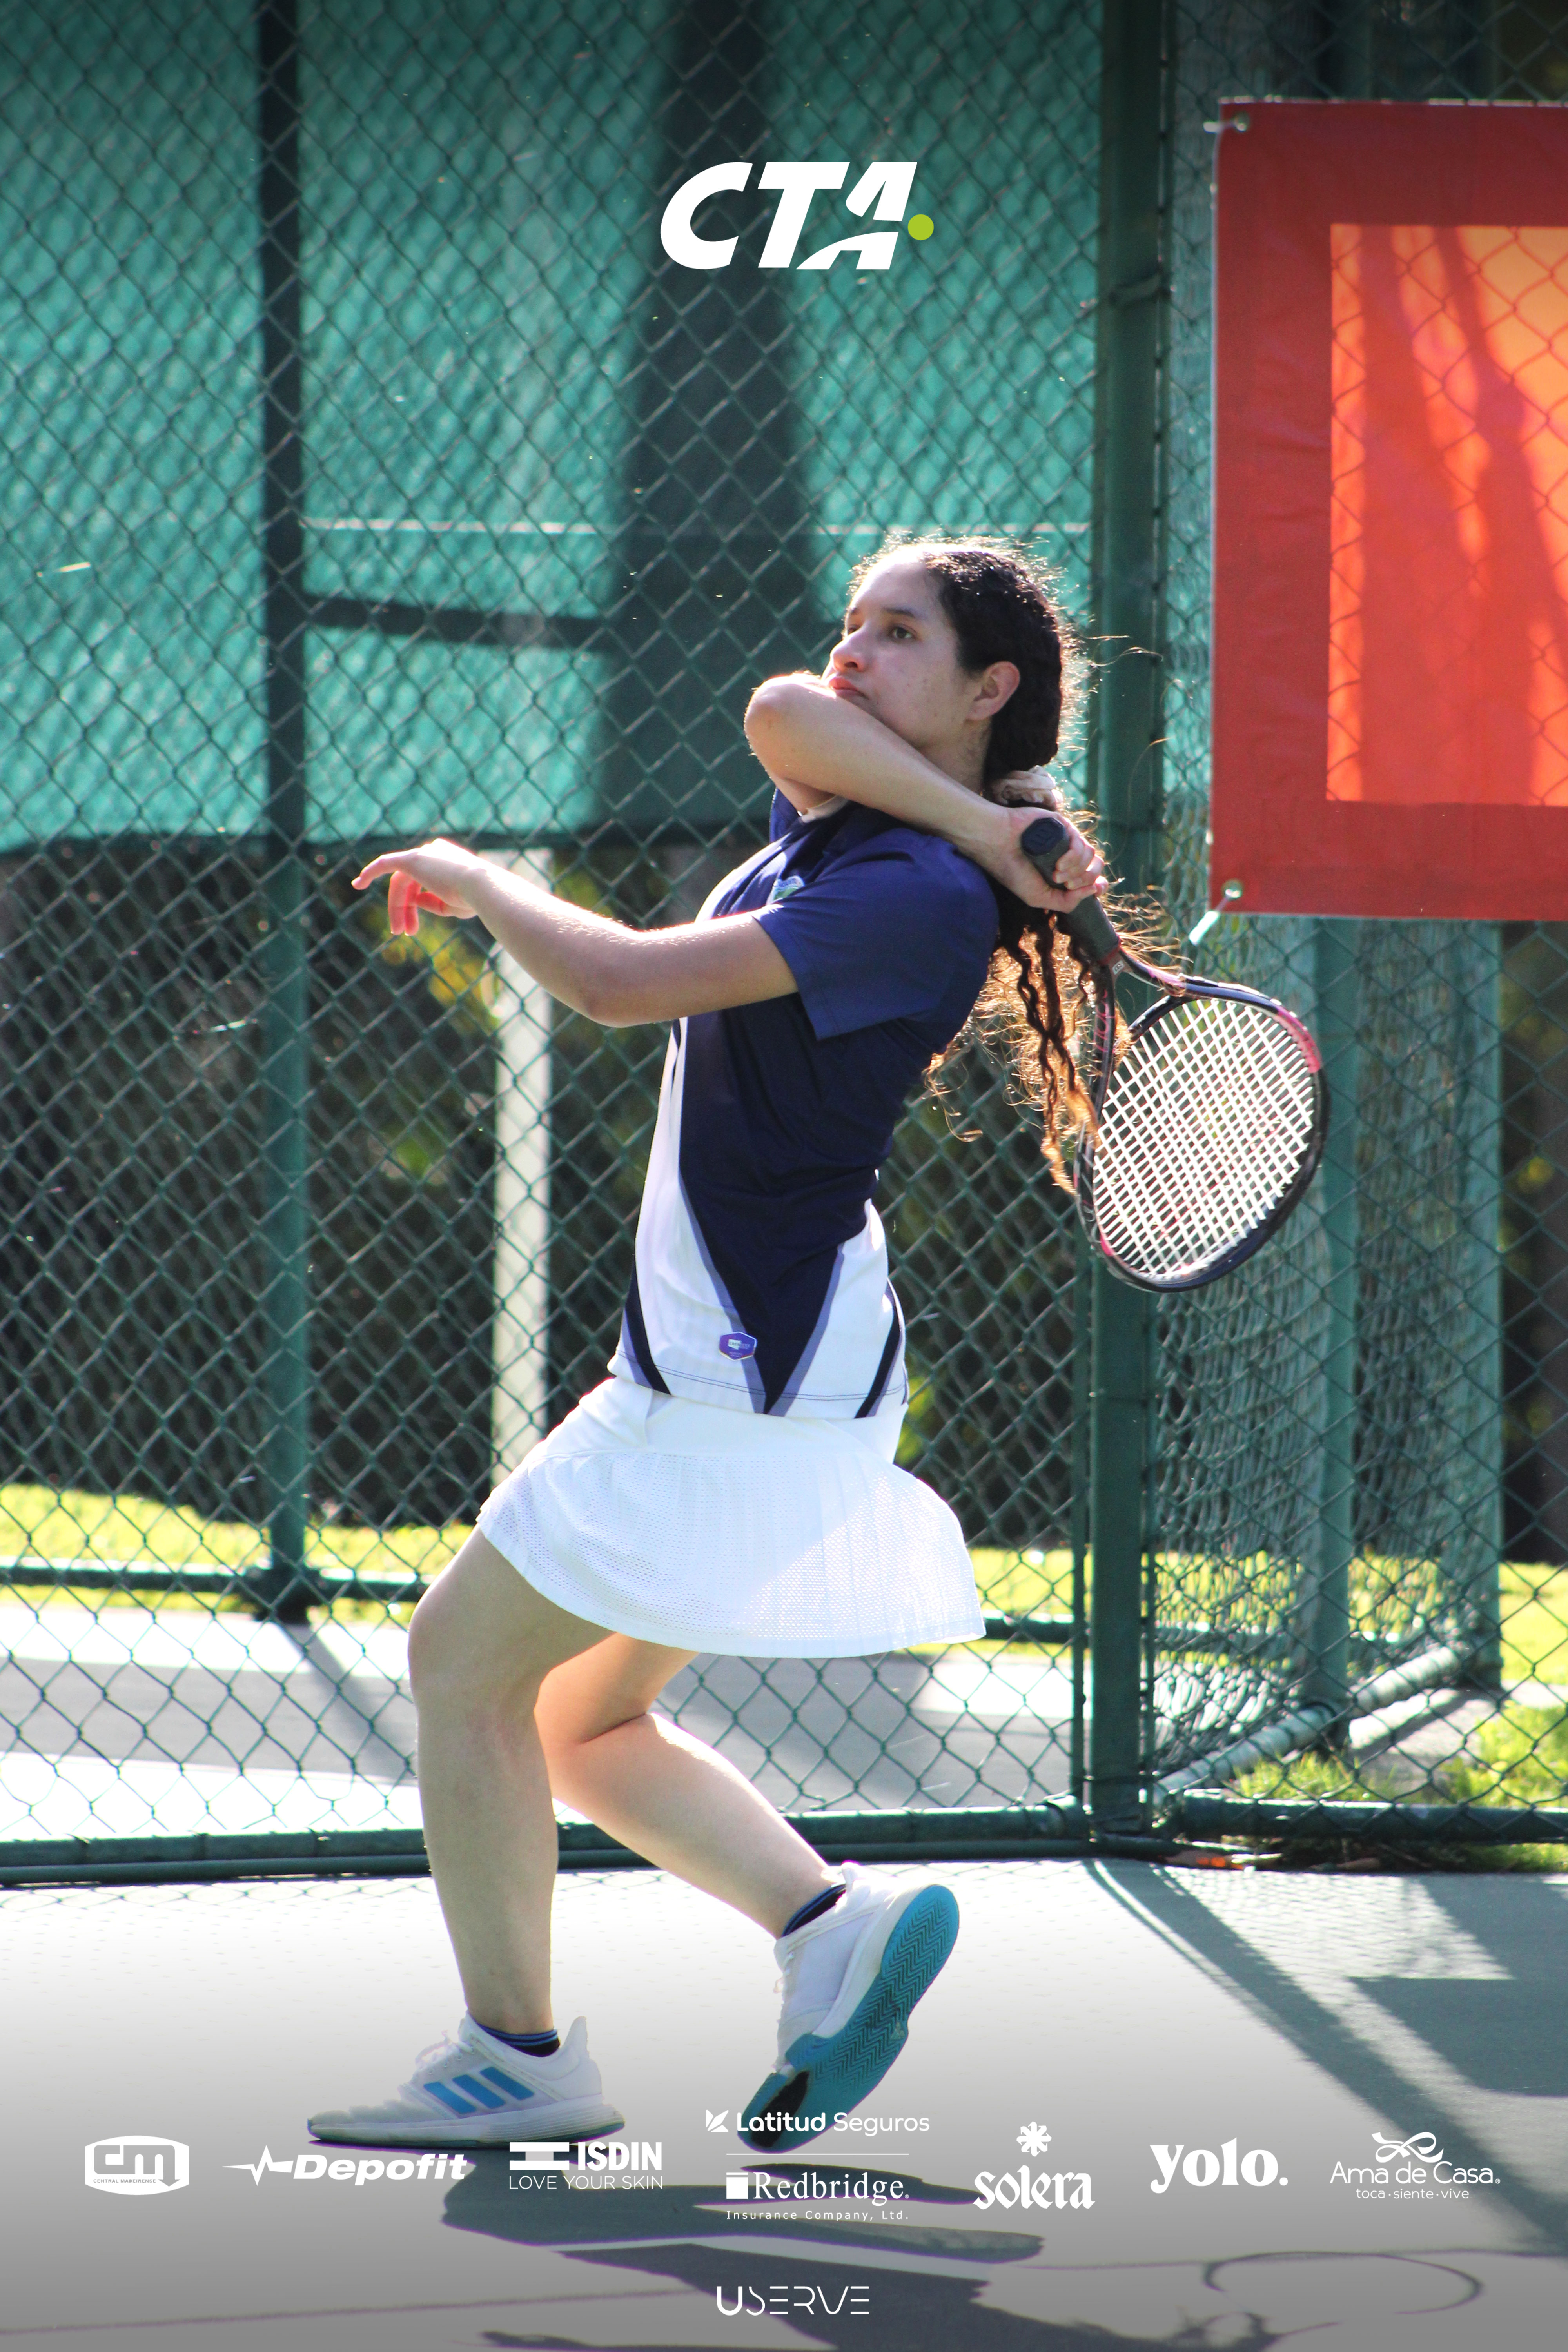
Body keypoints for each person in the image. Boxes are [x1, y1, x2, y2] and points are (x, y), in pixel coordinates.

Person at [307, 535, 1105, 2155]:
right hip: (764, 1356)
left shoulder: (906, 894)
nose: (854, 653)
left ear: (990, 686)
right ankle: (830, 1934)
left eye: (902, 635)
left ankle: (513, 2058)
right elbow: (779, 707)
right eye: (853, 622)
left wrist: (477, 873)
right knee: (579, 1729)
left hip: (737, 1365)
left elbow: (615, 982)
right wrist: (992, 813)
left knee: (459, 1670)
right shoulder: (878, 822)